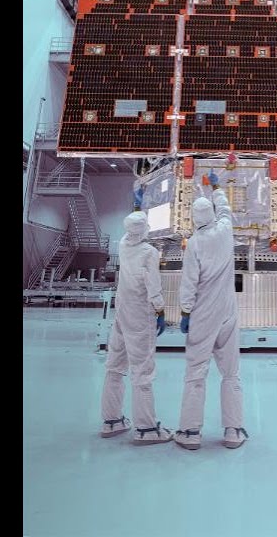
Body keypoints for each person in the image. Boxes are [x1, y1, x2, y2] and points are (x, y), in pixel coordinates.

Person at [174, 171, 249, 450]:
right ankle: (233, 431)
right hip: (227, 311)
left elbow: (189, 282)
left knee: (196, 371)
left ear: (195, 219)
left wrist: (185, 313)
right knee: (231, 372)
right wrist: (216, 186)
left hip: (203, 314)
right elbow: (225, 209)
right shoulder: (225, 230)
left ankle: (190, 432)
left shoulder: (195, 243)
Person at [99, 189, 173, 445]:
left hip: (121, 313)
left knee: (114, 366)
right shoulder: (149, 252)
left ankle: (111, 421)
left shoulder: (123, 244)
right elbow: (153, 285)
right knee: (142, 371)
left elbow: (132, 230)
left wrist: (136, 206)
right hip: (140, 315)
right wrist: (160, 310)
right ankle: (146, 428)